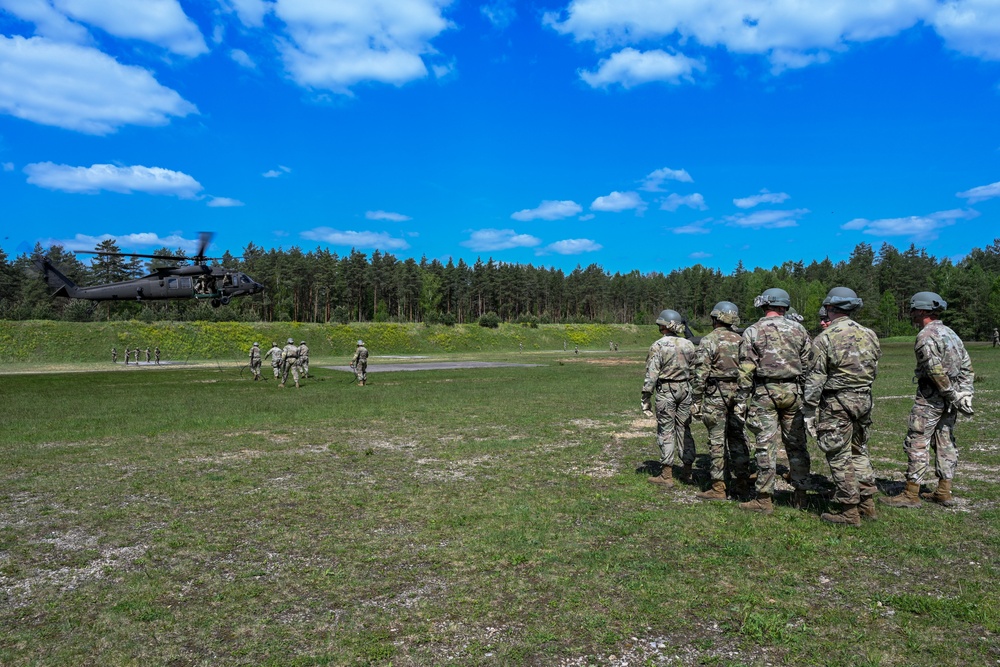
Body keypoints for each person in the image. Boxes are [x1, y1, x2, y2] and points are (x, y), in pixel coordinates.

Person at [882, 292, 974, 508]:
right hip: (951, 398)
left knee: (918, 441)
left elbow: (934, 370)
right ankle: (944, 490)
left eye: (913, 309)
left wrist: (950, 393)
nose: (911, 313)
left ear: (922, 311)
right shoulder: (952, 334)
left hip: (932, 398)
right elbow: (967, 366)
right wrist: (964, 394)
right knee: (945, 441)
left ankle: (911, 493)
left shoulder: (926, 335)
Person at [803, 288, 881, 526]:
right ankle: (867, 502)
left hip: (838, 401)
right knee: (859, 450)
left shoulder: (826, 338)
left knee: (838, 453)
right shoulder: (870, 334)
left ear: (830, 308)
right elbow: (874, 366)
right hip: (864, 398)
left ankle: (849, 509)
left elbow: (816, 377)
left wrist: (809, 409)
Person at [737, 288, 813, 514]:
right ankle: (800, 495)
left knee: (765, 445)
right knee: (797, 444)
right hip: (794, 391)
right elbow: (809, 363)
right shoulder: (799, 330)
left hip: (765, 392)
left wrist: (742, 398)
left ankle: (764, 498)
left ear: (764, 305)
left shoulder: (752, 331)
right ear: (784, 307)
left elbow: (745, 369)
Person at [690, 301, 751, 500]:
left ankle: (718, 487)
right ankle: (742, 482)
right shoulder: (742, 340)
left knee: (716, 440)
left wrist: (696, 398)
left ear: (715, 318)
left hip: (716, 393)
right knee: (738, 437)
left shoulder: (708, 340)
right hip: (739, 392)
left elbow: (701, 372)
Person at [642, 309, 697, 487]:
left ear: (664, 325)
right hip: (686, 389)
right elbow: (695, 370)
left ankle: (667, 474)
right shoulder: (688, 344)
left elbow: (651, 375)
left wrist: (646, 397)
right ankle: (687, 470)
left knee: (666, 429)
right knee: (684, 428)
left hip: (666, 390)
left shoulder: (658, 345)